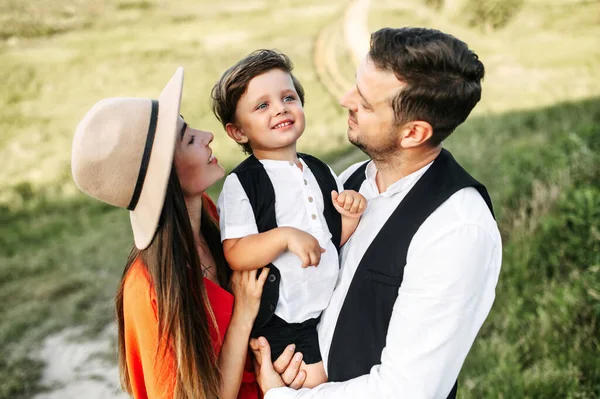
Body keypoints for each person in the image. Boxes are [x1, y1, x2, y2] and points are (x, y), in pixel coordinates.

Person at [251, 27, 503, 399]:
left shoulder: (457, 229)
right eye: (356, 85)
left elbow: (406, 390)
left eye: (365, 103)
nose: (344, 99)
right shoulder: (353, 178)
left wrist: (282, 396)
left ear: (414, 133)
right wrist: (299, 359)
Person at [71, 67, 272, 399]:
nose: (207, 135)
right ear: (165, 177)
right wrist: (243, 313)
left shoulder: (211, 215)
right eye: (189, 138)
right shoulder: (148, 290)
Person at [210, 50, 367, 388]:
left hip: (329, 308)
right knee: (315, 382)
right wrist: (283, 236)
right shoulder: (245, 182)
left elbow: (329, 237)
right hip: (283, 317)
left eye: (288, 97)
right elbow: (235, 252)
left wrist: (350, 213)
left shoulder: (319, 170)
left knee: (351, 373)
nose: (280, 108)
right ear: (238, 132)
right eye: (262, 105)